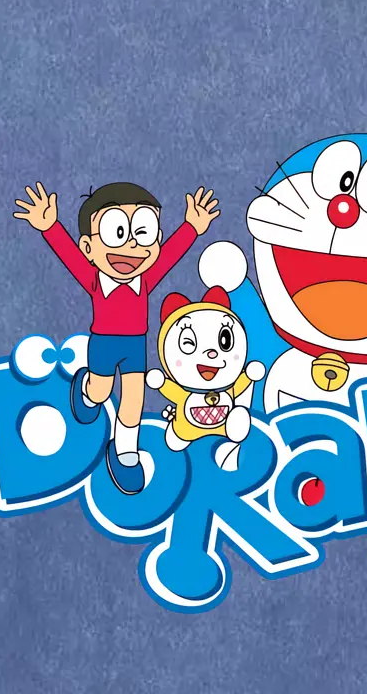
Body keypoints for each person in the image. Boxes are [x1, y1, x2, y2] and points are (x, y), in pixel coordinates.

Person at [12, 178, 218, 490]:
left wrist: (192, 227)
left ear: (157, 240)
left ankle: (125, 454)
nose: (131, 246)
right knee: (100, 392)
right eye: (117, 232)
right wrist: (50, 226)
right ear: (88, 248)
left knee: (133, 402)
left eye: (143, 232)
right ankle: (86, 390)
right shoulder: (94, 280)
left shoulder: (146, 280)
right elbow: (69, 256)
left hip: (135, 346)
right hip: (104, 345)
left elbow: (171, 255)